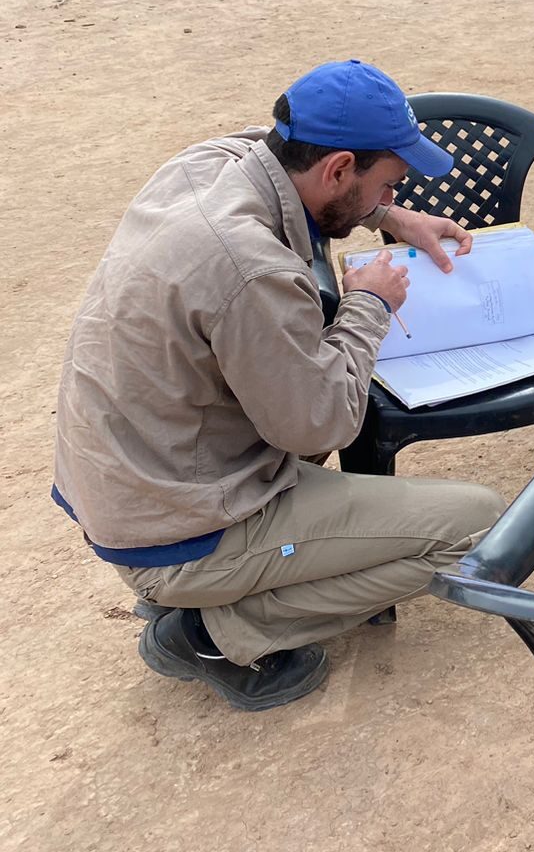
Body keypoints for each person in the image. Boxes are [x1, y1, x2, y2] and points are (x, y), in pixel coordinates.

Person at [52, 60, 505, 712]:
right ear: (338, 168)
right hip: (177, 532)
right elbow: (321, 424)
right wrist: (369, 306)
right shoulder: (249, 265)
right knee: (479, 526)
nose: (391, 195)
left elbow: (279, 159)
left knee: (296, 371)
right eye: (388, 184)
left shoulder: (214, 164)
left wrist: (392, 220)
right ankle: (215, 629)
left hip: (134, 486)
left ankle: (205, 595)